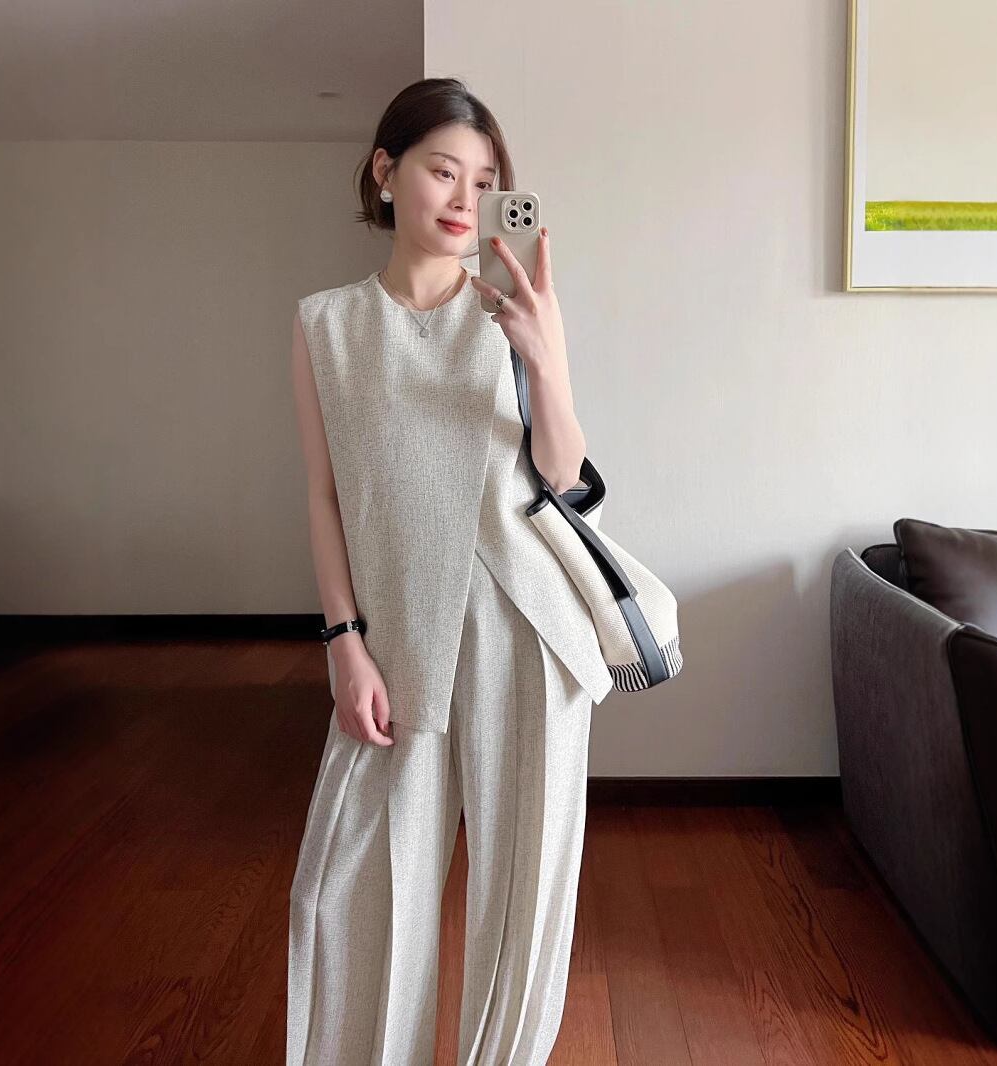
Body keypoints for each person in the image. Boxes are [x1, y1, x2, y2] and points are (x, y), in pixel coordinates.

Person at [286, 76, 614, 1066]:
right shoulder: (325, 325)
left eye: (484, 179)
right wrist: (344, 641)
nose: (466, 199)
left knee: (523, 893)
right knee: (348, 890)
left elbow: (565, 475)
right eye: (443, 171)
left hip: (526, 627)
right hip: (397, 637)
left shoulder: (515, 309)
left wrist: (543, 357)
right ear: (386, 173)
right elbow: (324, 496)